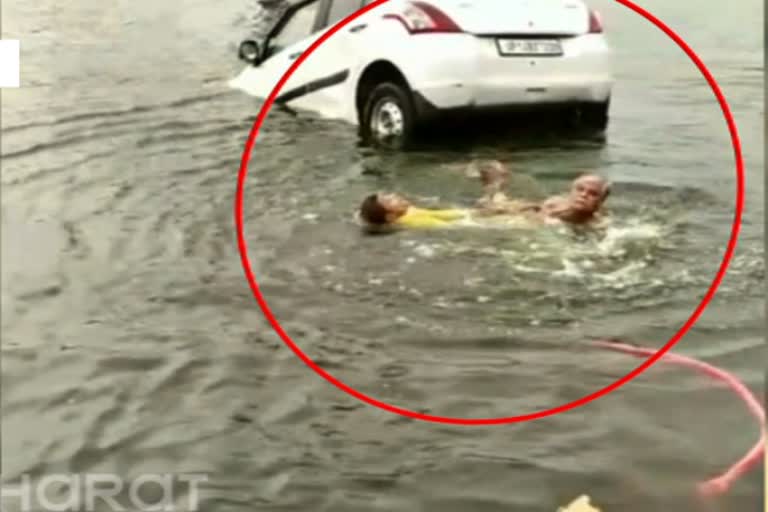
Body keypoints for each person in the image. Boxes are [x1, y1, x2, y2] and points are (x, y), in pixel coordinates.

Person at [357, 162, 611, 231]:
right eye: (391, 199)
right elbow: (458, 224)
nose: (397, 196)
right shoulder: (409, 222)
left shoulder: (409, 215)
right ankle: (492, 179)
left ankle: (492, 180)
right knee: (502, 198)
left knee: (507, 201)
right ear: (391, 215)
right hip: (484, 221)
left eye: (591, 194)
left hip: (480, 216)